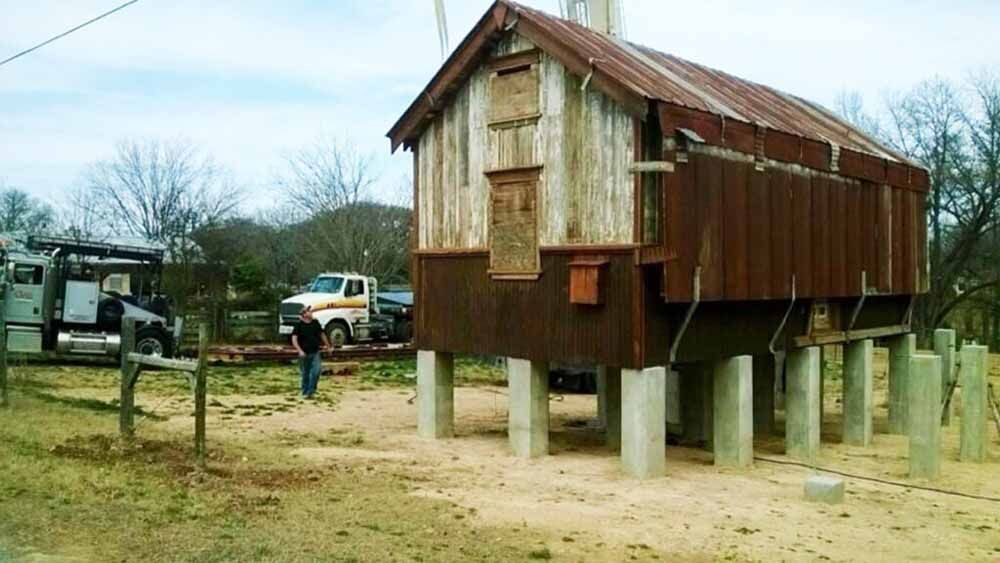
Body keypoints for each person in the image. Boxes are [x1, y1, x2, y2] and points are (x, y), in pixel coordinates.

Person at [291, 307, 330, 399]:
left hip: (315, 351)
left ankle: (311, 391)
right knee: (305, 372)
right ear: (304, 314)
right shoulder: (299, 325)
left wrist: (328, 346)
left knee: (316, 371)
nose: (311, 313)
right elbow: (294, 339)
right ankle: (305, 391)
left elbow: (322, 334)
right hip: (304, 353)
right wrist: (299, 350)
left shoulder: (315, 323)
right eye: (309, 311)